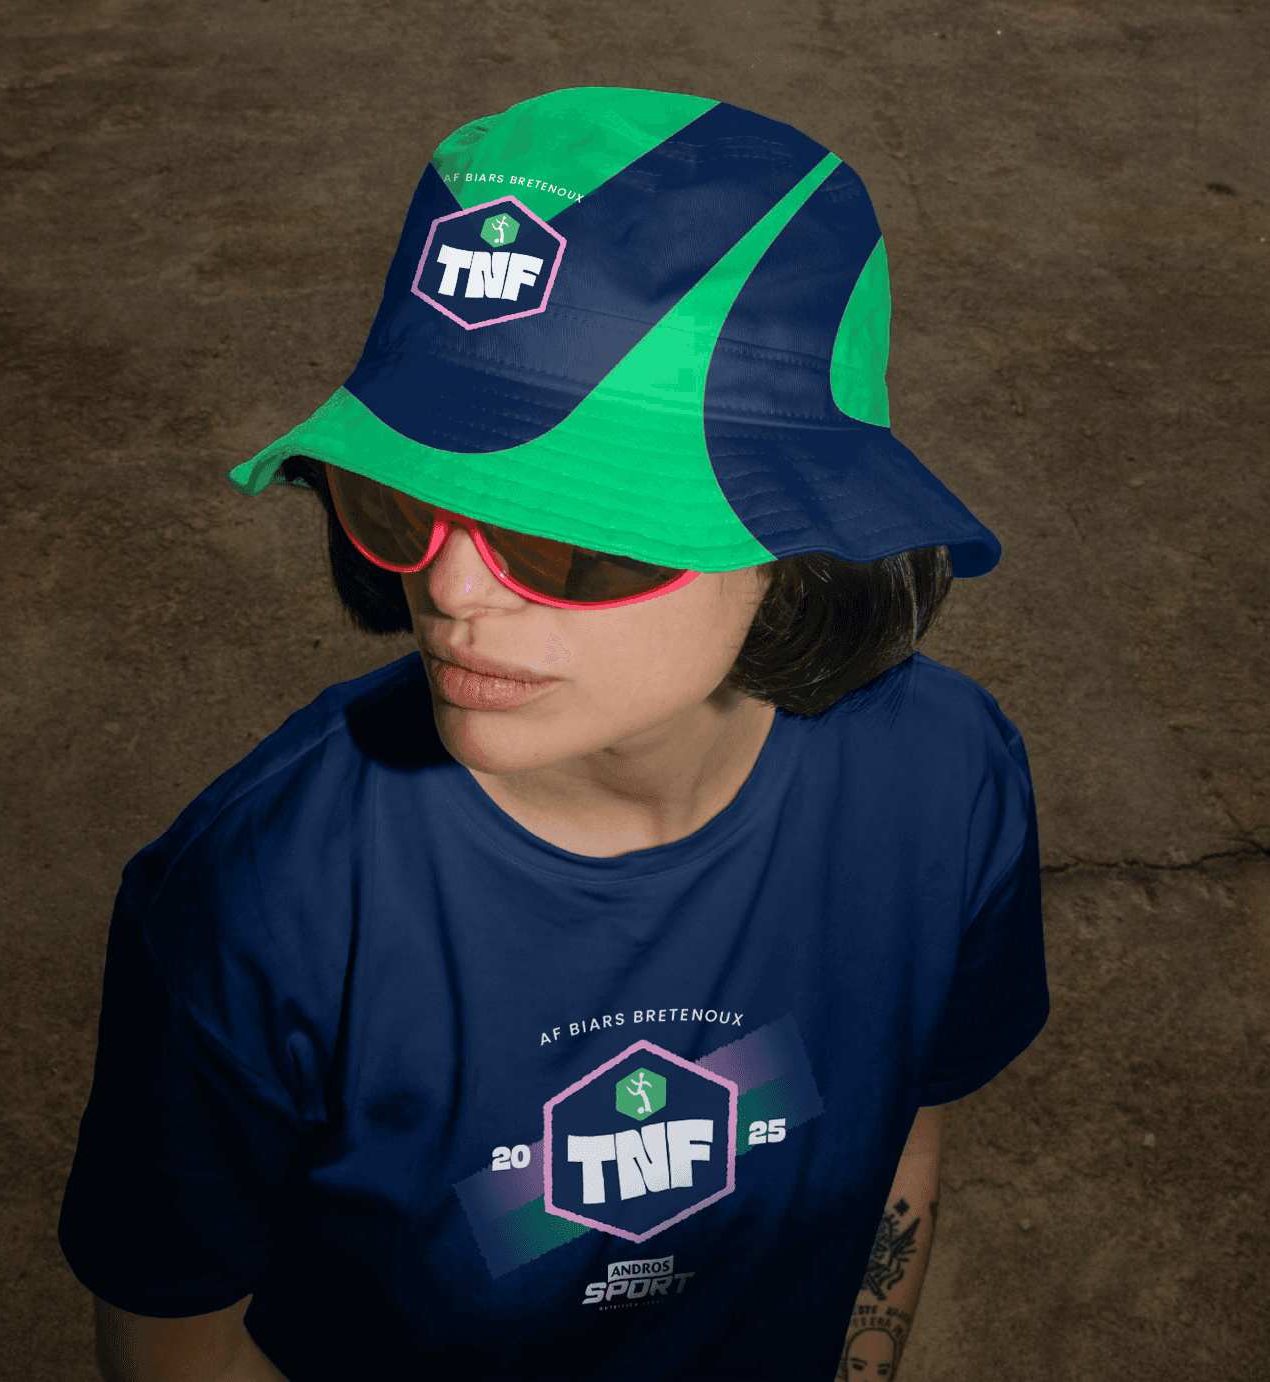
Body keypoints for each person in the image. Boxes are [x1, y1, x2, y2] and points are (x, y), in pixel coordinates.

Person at [58, 86, 1050, 1381]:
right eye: (404, 497)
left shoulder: (948, 786)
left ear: (798, 543)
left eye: (571, 540)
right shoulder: (257, 905)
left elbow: (906, 1124)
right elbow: (173, 1348)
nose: (454, 595)